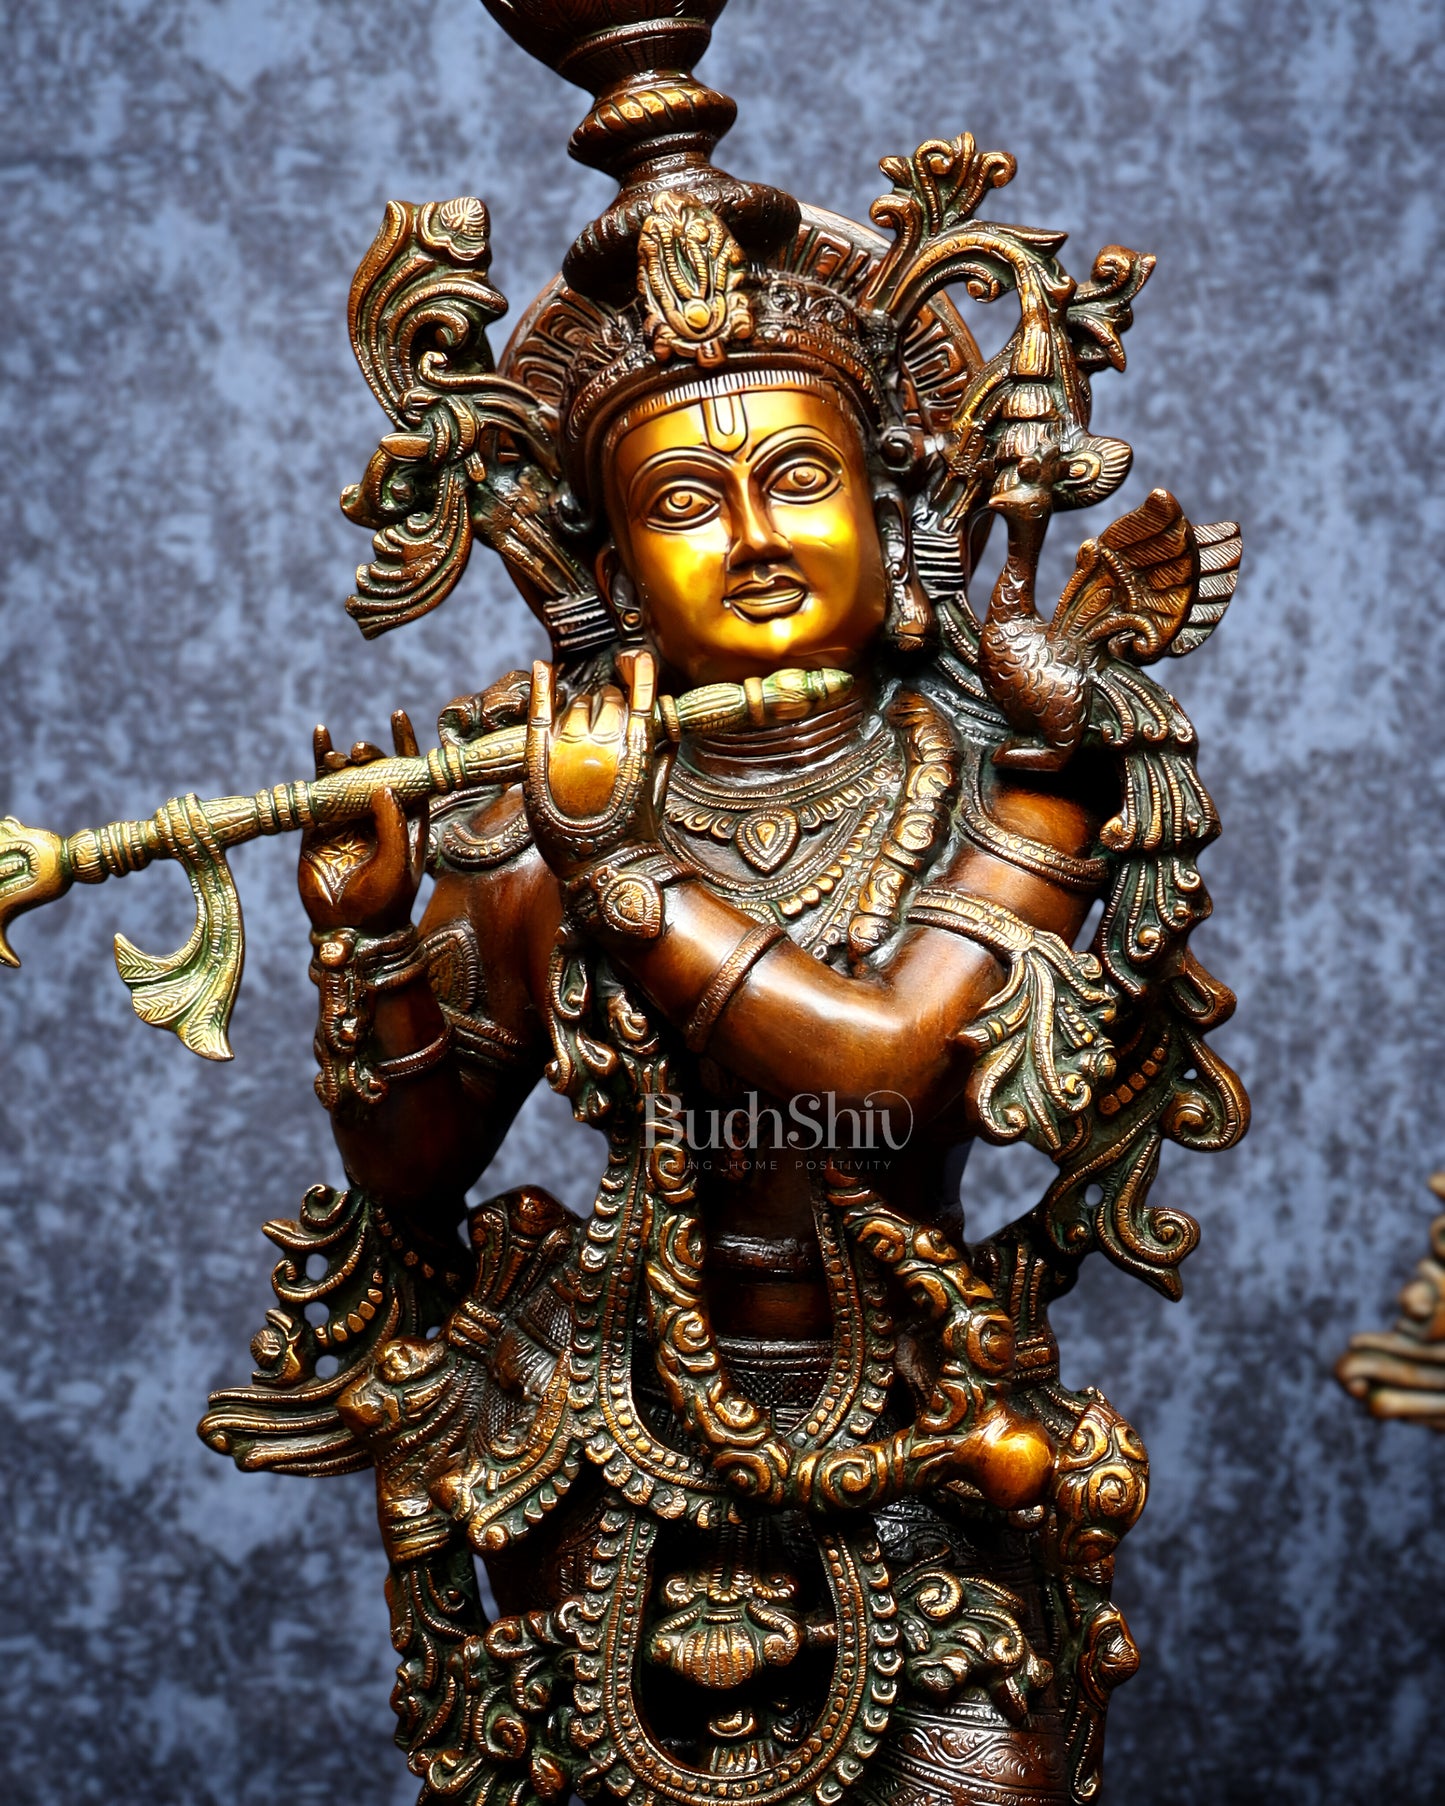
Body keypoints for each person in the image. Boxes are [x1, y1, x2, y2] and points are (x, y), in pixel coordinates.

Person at [202, 49, 1245, 1803]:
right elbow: (415, 1177)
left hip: (916, 1418)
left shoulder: (1009, 782)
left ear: (889, 511)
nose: (754, 536)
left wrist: (627, 876)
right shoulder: (542, 806)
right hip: (603, 1431)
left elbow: (889, 1071)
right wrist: (368, 945)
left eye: (797, 479)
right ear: (609, 569)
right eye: (685, 503)